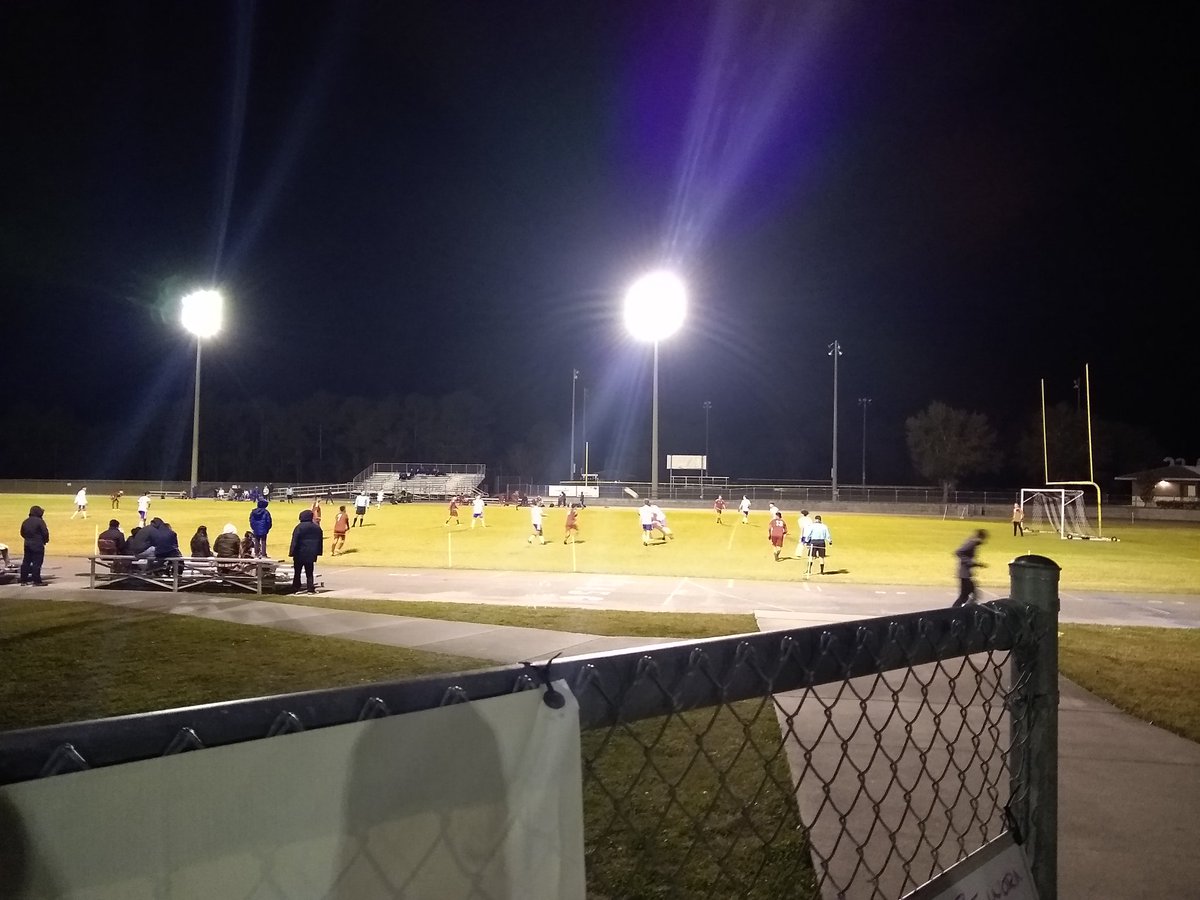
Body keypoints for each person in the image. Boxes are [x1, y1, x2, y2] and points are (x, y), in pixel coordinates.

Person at [289, 508, 324, 594]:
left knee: (297, 572)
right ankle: (310, 588)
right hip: (311, 553)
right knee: (309, 572)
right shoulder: (317, 528)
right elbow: (320, 541)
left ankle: (296, 587)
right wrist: (318, 552)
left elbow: (294, 541)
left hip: (299, 553)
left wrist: (292, 552)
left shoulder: (299, 527)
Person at [952, 529, 988, 608]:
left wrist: (978, 564)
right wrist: (970, 562)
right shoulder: (972, 543)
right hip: (964, 575)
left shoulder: (973, 543)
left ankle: (963, 609)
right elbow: (958, 552)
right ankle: (955, 610)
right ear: (981, 537)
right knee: (965, 596)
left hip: (966, 574)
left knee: (969, 595)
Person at [19, 505, 50, 585]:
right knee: (37, 563)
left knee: (26, 562)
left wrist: (28, 539)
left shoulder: (26, 521)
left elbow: (22, 533)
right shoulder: (40, 522)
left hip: (27, 544)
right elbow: (45, 533)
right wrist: (45, 541)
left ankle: (23, 580)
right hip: (37, 544)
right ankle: (36, 581)